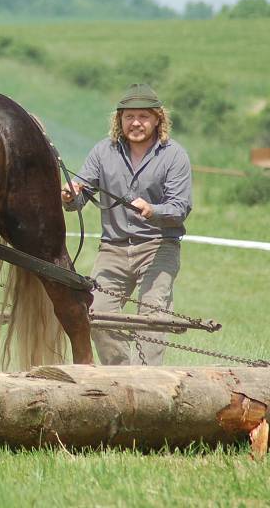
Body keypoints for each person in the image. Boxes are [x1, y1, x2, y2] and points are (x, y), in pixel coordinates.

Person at [61, 83, 192, 365]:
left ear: (158, 119)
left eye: (143, 116)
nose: (136, 123)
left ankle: (147, 383)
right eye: (129, 116)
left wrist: (152, 210)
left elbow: (180, 208)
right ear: (119, 119)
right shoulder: (102, 151)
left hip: (158, 247)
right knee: (96, 313)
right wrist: (70, 195)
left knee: (152, 316)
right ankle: (121, 380)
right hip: (113, 249)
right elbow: (79, 197)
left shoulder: (174, 155)